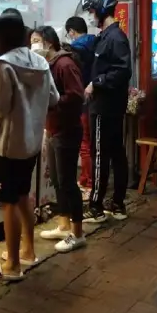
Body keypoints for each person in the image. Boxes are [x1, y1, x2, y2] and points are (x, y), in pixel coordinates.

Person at [0, 13, 58, 281]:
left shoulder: (4, 65)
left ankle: (12, 265)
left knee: (8, 203)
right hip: (32, 142)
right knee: (23, 195)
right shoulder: (40, 61)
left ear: (0, 38)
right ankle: (28, 250)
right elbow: (54, 98)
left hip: (8, 146)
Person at [78, 0, 132, 224]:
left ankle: (96, 207)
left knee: (100, 155)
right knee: (116, 153)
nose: (90, 16)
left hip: (104, 106)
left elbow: (123, 71)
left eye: (91, 11)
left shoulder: (115, 38)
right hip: (109, 106)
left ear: (101, 9)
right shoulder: (105, 36)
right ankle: (117, 204)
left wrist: (96, 83)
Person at [31, 26, 87, 252]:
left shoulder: (64, 64)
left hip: (67, 130)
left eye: (36, 40)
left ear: (49, 42)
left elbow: (76, 96)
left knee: (68, 182)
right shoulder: (47, 64)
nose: (33, 45)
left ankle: (78, 233)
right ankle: (64, 224)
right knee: (57, 179)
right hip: (53, 129)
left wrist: (51, 102)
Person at [65, 15, 96, 192]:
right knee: (92, 142)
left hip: (82, 98)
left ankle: (88, 181)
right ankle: (88, 179)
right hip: (95, 97)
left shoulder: (75, 49)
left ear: (71, 32)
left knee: (84, 143)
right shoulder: (95, 42)